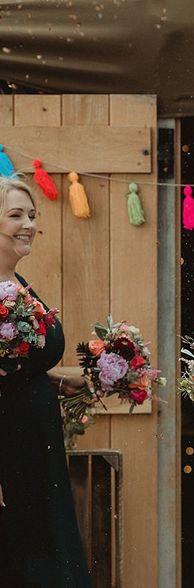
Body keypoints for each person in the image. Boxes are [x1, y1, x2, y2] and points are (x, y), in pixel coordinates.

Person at [0, 176, 92, 587]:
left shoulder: (18, 286)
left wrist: (54, 382)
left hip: (34, 445)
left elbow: (13, 367)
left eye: (33, 216)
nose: (28, 225)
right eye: (15, 215)